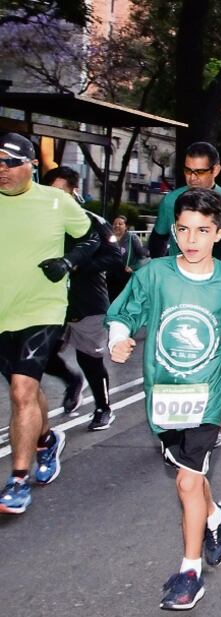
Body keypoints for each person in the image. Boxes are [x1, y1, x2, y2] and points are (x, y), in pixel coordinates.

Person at [106, 188, 221, 610]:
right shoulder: (154, 275)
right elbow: (125, 313)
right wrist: (118, 340)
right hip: (164, 392)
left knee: (187, 479)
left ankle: (189, 573)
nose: (193, 239)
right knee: (187, 472)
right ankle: (215, 516)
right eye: (185, 230)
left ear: (219, 234)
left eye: (203, 231)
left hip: (208, 394)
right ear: (174, 231)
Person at [0, 133, 96, 514]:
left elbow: (94, 238)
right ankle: (45, 441)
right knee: (26, 389)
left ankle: (18, 480)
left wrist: (68, 263)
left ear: (30, 166)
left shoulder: (56, 201)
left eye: (9, 163)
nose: (2, 170)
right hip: (3, 313)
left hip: (42, 310)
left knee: (22, 391)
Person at [40, 166, 124, 431]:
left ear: (74, 192)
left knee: (90, 359)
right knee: (41, 356)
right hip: (47, 304)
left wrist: (74, 266)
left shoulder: (92, 221)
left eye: (62, 192)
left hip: (87, 302)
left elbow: (115, 256)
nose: (57, 197)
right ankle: (72, 381)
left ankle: (103, 408)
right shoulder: (36, 221)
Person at [150, 142, 221, 269]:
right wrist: (166, 272)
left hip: (216, 281)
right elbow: (157, 241)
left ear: (215, 170)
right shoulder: (170, 201)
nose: (192, 178)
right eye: (188, 170)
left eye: (200, 172)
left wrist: (210, 278)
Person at [108, 214, 148, 301]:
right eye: (115, 224)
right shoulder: (109, 238)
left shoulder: (132, 238)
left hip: (126, 275)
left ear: (126, 226)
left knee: (124, 300)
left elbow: (143, 256)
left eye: (120, 224)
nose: (117, 225)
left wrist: (133, 267)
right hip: (111, 275)